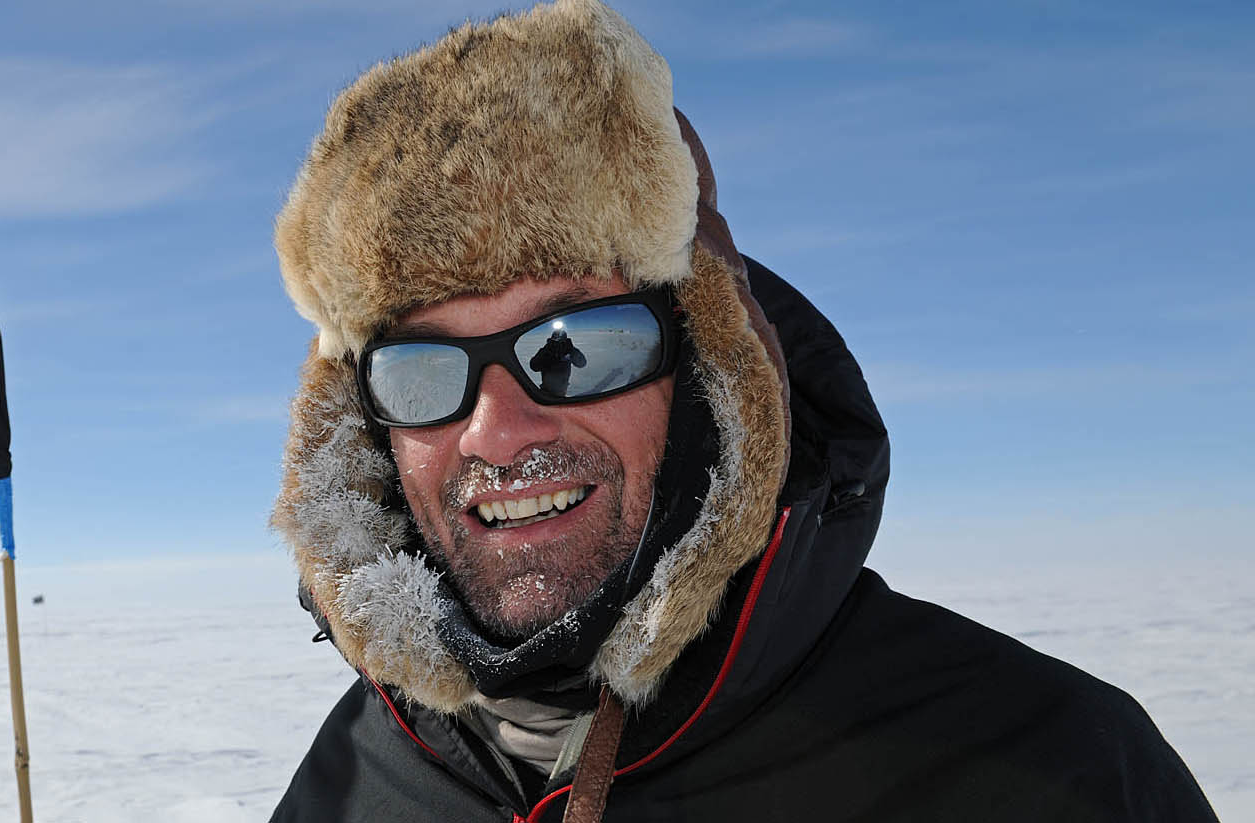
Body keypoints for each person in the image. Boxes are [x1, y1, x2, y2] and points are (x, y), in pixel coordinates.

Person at [265, 2, 1217, 821]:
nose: (494, 430)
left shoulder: (1056, 770)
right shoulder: (346, 783)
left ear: (709, 362)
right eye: (424, 371)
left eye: (574, 346)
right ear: (368, 429)